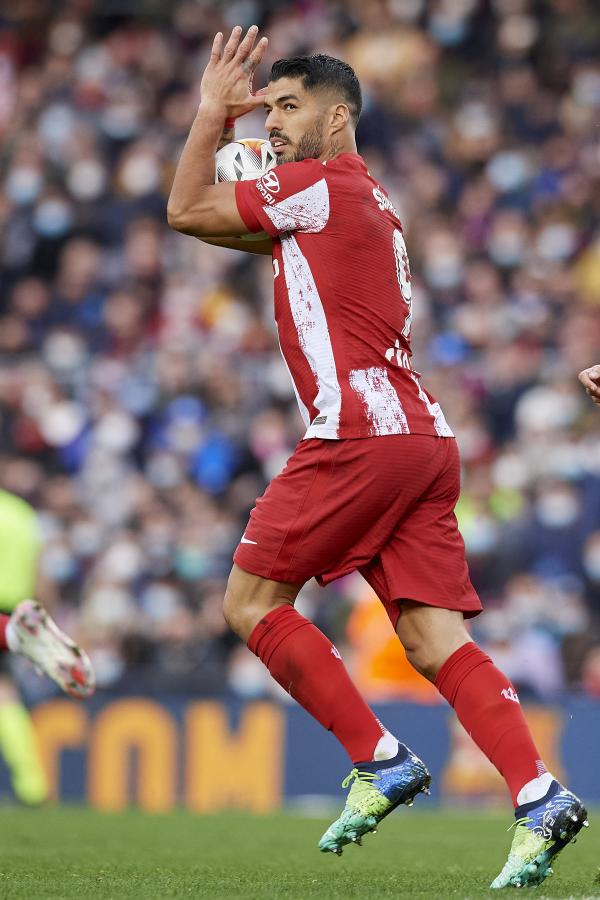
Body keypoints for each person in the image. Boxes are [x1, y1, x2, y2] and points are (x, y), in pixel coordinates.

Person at [168, 26, 589, 890]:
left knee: (249, 602)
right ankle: (540, 793)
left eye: (290, 107)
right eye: (266, 107)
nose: (272, 122)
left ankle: (380, 757)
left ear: (340, 117)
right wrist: (233, 153)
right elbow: (226, 231)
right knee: (435, 641)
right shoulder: (361, 200)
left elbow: (184, 212)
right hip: (423, 439)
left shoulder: (318, 188)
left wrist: (211, 114)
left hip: (363, 432)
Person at [0, 489, 95, 803]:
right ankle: (32, 784)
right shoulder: (22, 514)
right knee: (4, 696)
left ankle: (14, 634)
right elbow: (41, 573)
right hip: (17, 605)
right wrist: (48, 617)